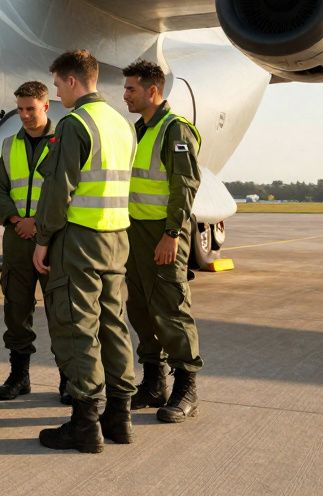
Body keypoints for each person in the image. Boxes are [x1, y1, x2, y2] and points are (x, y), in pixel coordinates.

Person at [32, 50, 137, 453]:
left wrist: (43, 238)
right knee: (113, 324)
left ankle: (85, 422)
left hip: (79, 240)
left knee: (77, 326)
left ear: (73, 80)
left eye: (58, 84)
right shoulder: (121, 123)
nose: (57, 93)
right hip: (116, 238)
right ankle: (120, 417)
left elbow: (59, 189)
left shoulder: (75, 124)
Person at [121, 59, 204, 423]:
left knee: (171, 307)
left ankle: (187, 388)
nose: (125, 95)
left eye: (131, 89)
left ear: (152, 91)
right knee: (140, 307)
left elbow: (184, 186)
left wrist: (172, 234)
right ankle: (154, 382)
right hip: (135, 231)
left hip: (164, 233)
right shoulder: (138, 130)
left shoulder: (175, 130)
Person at [0, 80, 70, 402]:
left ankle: (68, 378)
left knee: (60, 311)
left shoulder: (64, 141)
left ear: (46, 106)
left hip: (53, 239)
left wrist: (38, 222)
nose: (24, 115)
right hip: (18, 239)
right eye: (20, 109)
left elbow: (68, 189)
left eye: (30, 109)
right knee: (16, 309)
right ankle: (19, 376)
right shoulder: (10, 145)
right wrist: (15, 219)